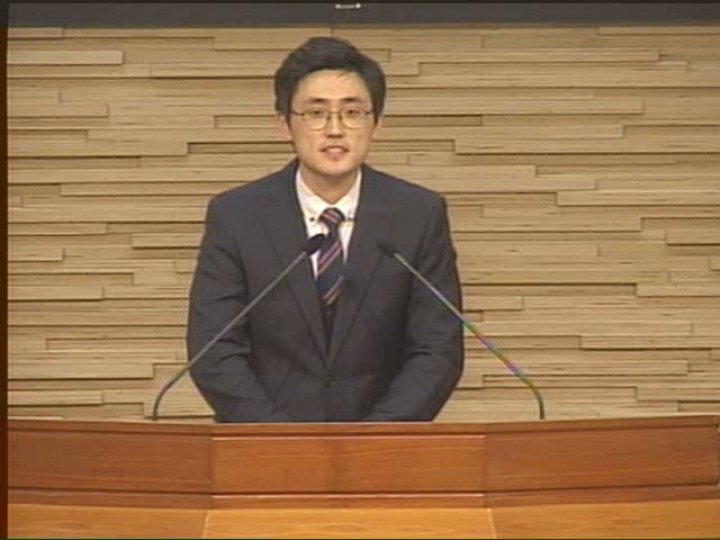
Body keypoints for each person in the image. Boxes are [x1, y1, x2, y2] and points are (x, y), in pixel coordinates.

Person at [186, 36, 464, 422]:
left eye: (352, 112)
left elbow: (437, 350)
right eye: (316, 113)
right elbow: (214, 350)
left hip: (383, 445)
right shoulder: (237, 215)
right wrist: (281, 440)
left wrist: (376, 438)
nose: (335, 129)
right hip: (263, 445)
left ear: (376, 123)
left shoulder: (417, 215)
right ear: (284, 125)